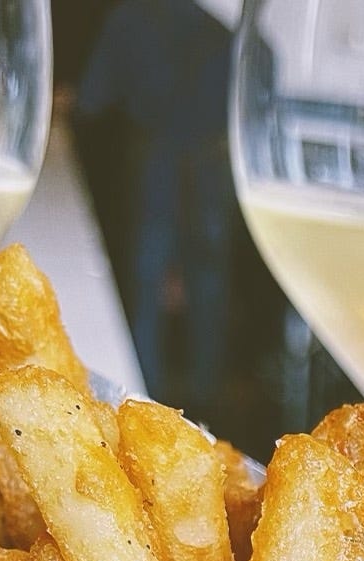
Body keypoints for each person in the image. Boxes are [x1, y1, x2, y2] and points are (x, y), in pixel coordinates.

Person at [75, 0, 235, 420]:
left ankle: (142, 404)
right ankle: (207, 400)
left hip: (155, 164)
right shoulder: (220, 27)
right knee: (209, 285)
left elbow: (92, 96)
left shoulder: (129, 17)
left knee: (147, 282)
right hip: (210, 166)